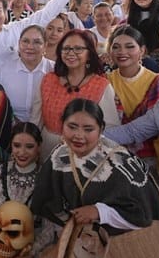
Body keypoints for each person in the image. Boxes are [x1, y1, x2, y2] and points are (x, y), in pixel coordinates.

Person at [32, 98, 159, 234]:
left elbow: (143, 215)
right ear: (62, 125)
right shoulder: (59, 154)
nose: (78, 135)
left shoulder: (119, 163)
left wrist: (100, 212)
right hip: (68, 234)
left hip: (116, 243)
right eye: (71, 127)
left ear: (101, 129)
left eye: (88, 129)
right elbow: (45, 199)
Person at [31, 29, 120, 160]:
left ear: (89, 54)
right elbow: (36, 119)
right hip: (47, 150)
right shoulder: (48, 80)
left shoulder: (101, 85)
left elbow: (110, 128)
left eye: (78, 49)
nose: (71, 53)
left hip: (86, 153)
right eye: (66, 49)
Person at [106, 25, 159, 177]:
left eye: (129, 47)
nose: (122, 52)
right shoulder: (105, 82)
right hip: (116, 156)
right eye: (116, 47)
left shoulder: (158, 83)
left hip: (156, 159)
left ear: (142, 50)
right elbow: (132, 131)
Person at [0, 25, 54, 122]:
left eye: (37, 42)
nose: (30, 47)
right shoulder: (3, 71)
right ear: (19, 43)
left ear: (45, 46)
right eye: (25, 41)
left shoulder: (54, 70)